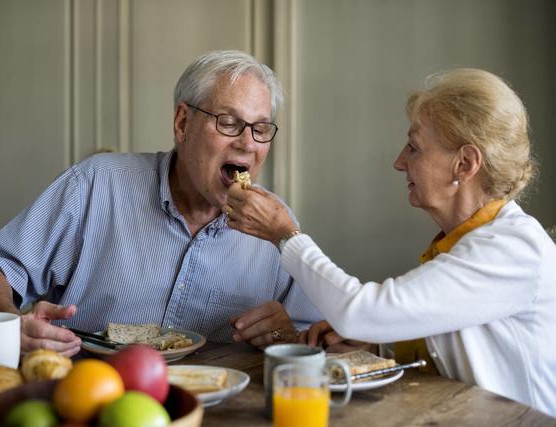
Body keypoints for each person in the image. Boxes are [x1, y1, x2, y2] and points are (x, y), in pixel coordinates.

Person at [223, 68, 556, 416]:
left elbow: (362, 311)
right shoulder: (468, 240)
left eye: (414, 147)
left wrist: (285, 234)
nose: (399, 162)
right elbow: (460, 340)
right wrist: (378, 341)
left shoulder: (512, 250)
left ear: (465, 163)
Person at [0, 50, 322, 357]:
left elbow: (306, 341)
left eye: (260, 129)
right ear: (182, 123)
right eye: (229, 123)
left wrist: (282, 334)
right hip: (88, 396)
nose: (247, 143)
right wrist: (9, 327)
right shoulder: (96, 184)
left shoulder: (278, 226)